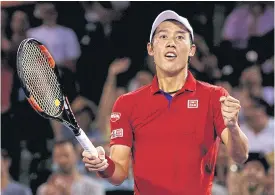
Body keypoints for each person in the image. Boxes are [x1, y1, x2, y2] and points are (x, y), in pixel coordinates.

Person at [82, 10, 249, 195]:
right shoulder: (126, 104)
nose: (171, 42)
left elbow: (240, 156)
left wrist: (233, 127)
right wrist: (103, 165)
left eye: (180, 37)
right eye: (163, 36)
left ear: (192, 49)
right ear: (151, 49)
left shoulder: (214, 96)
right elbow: (119, 173)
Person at [36, 140, 104, 195]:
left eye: (66, 155)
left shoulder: (93, 187)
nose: (62, 160)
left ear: (76, 155)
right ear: (53, 159)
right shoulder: (44, 190)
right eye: (58, 156)